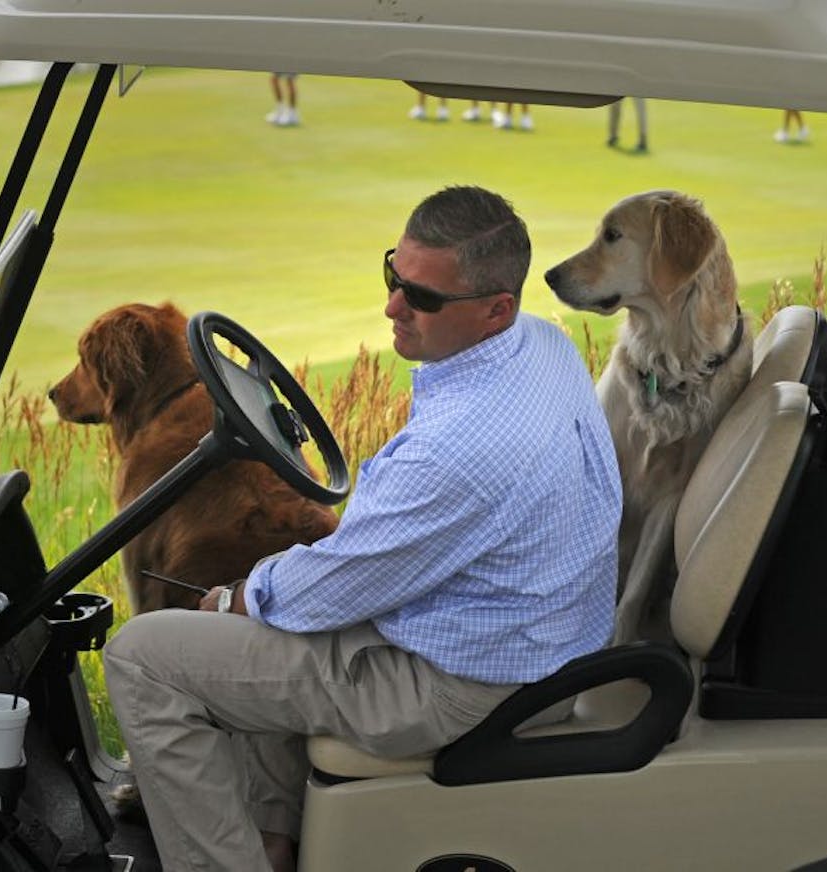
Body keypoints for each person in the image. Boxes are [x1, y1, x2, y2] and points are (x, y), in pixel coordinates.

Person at [103, 186, 621, 872]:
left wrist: (237, 596)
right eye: (393, 277)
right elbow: (360, 566)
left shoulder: (462, 451)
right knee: (266, 605)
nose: (393, 308)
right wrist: (263, 590)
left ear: (497, 307)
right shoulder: (541, 346)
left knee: (146, 655)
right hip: (531, 634)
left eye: (422, 299)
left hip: (455, 682)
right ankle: (273, 838)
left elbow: (331, 591)